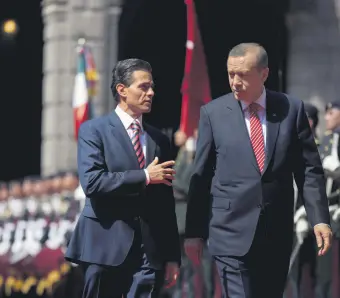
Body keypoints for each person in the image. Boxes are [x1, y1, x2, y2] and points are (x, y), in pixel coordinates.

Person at [184, 43, 332, 298]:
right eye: (231, 74)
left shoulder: (291, 110)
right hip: (229, 231)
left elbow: (308, 169)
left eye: (243, 74)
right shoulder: (213, 114)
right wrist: (194, 232)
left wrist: (318, 217)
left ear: (264, 74)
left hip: (275, 232)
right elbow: (201, 176)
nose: (235, 82)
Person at [65, 58, 181, 298]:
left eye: (152, 87)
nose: (151, 93)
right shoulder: (93, 130)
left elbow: (164, 202)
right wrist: (145, 176)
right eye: (144, 87)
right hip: (104, 247)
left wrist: (171, 256)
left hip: (148, 252)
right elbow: (93, 183)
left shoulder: (159, 140)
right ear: (122, 90)